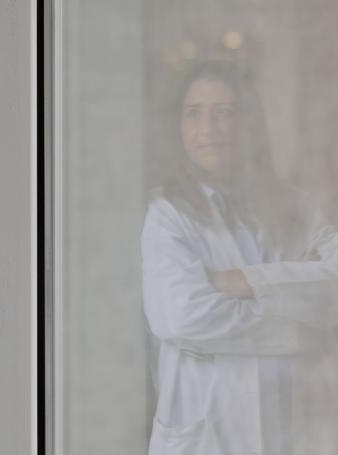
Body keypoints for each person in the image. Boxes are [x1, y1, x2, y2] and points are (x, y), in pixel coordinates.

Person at [142, 60, 338, 454]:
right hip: (206, 431)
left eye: (224, 113)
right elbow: (182, 315)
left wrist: (239, 282)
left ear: (249, 122)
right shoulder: (167, 213)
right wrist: (299, 328)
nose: (208, 130)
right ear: (178, 128)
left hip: (291, 420)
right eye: (193, 114)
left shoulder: (294, 205)